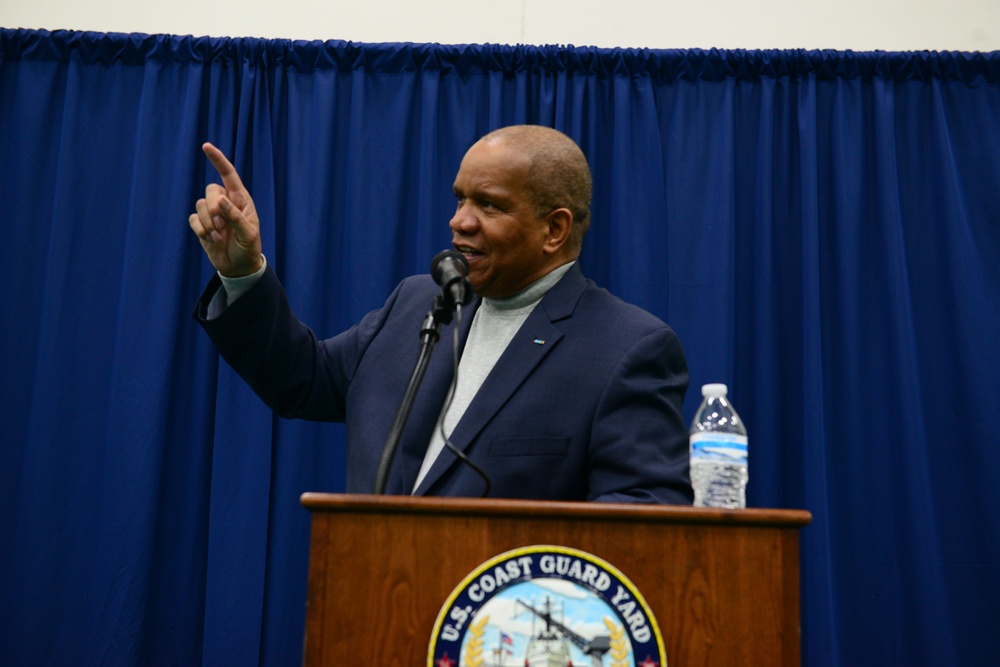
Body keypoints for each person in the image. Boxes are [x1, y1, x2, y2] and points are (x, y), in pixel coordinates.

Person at [189, 125, 692, 503]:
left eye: (489, 206)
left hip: (499, 636)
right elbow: (299, 380)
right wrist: (244, 272)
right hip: (372, 609)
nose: (459, 221)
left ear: (554, 230)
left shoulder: (626, 347)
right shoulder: (417, 305)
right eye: (459, 199)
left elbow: (642, 517)